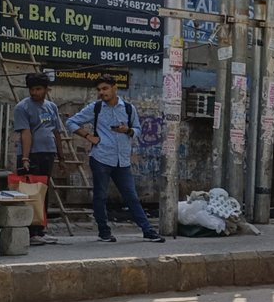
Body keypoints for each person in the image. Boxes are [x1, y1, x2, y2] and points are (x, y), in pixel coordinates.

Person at [66, 75, 165, 243]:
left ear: (114, 88)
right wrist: (89, 136)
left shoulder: (127, 108)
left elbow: (138, 130)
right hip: (101, 157)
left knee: (131, 196)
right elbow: (71, 122)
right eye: (99, 89)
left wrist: (127, 130)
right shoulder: (95, 108)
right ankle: (104, 232)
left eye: (105, 88)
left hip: (122, 160)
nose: (101, 92)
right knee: (100, 196)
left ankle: (148, 230)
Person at [13, 72, 63, 245]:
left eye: (38, 89)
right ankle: (30, 232)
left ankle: (40, 230)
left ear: (46, 89)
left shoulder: (52, 107)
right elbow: (25, 134)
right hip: (31, 154)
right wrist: (25, 158)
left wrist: (61, 157)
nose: (34, 92)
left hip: (47, 153)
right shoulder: (22, 107)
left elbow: (56, 132)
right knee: (29, 192)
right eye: (32, 89)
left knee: (43, 192)